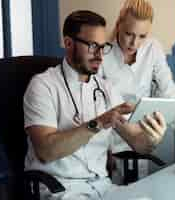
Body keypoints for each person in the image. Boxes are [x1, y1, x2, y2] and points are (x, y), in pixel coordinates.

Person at [23, 10, 166, 200]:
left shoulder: (106, 88)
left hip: (103, 187)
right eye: (92, 46)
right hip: (62, 189)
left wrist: (152, 138)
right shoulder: (42, 85)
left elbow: (137, 142)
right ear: (68, 43)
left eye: (102, 47)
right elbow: (46, 151)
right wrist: (98, 122)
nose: (100, 55)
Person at [99, 0, 175, 160]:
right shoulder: (102, 54)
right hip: (109, 139)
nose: (134, 43)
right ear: (119, 25)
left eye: (142, 36)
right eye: (129, 34)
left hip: (143, 136)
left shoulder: (153, 48)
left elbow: (169, 89)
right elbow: (97, 105)